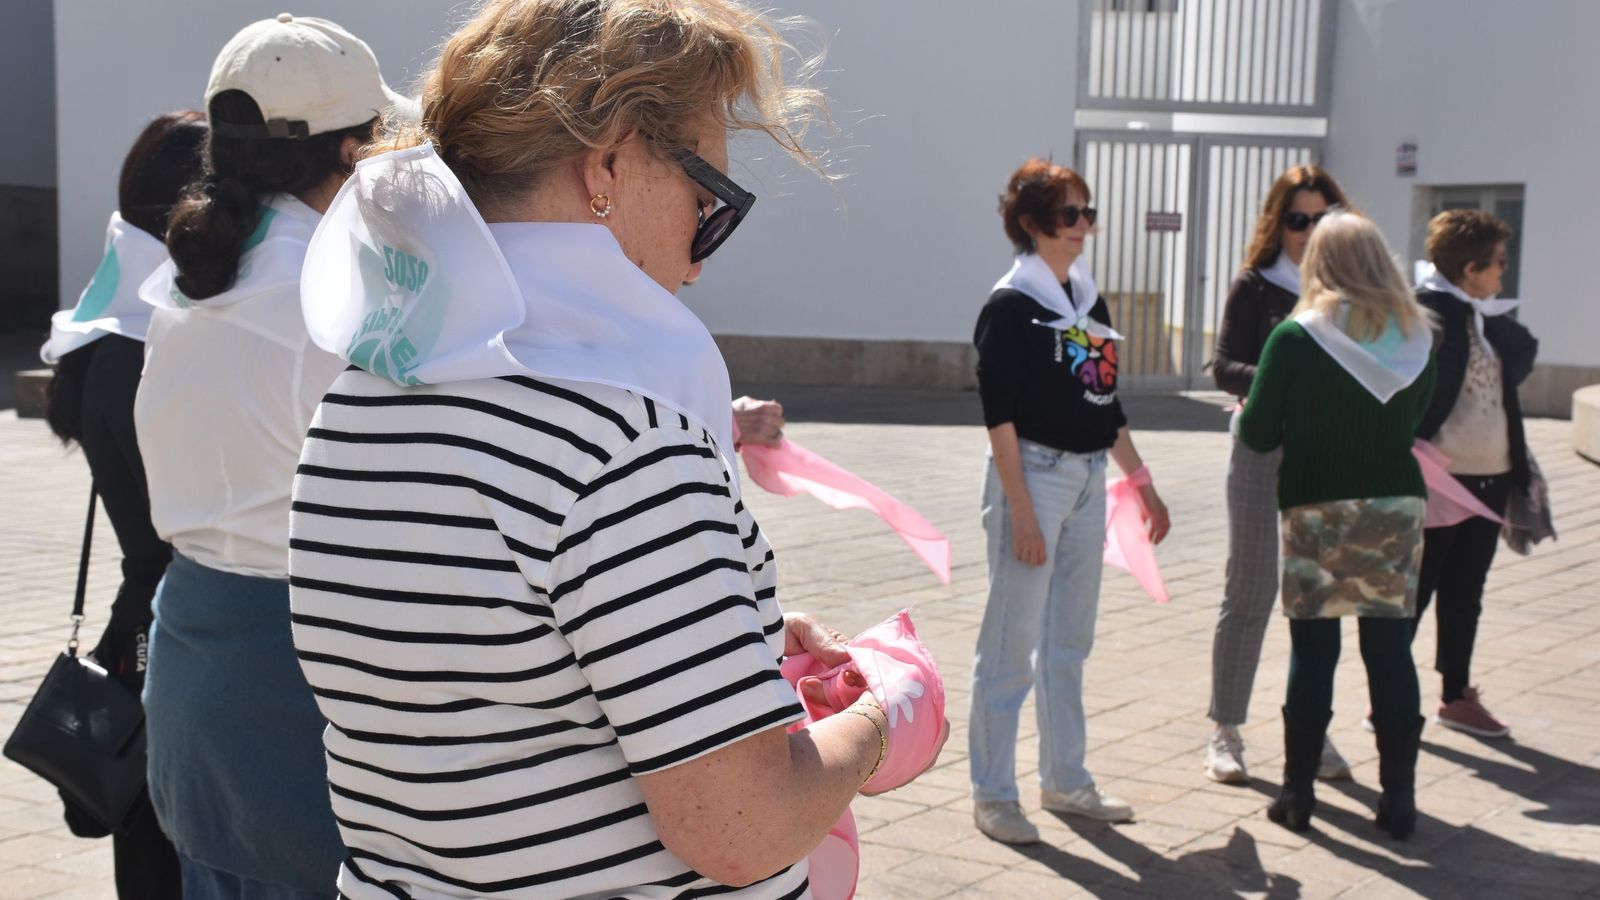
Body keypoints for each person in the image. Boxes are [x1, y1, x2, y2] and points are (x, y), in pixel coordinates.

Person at [285, 2, 946, 897]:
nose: (700, 255)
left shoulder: (360, 400)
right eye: (706, 198)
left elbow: (484, 682)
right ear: (609, 164)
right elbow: (739, 827)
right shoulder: (623, 445)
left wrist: (727, 639)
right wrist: (885, 713)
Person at [133, 15, 408, 899]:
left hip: (191, 653)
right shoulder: (332, 293)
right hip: (302, 673)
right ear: (354, 149)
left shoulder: (190, 280)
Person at [969, 158, 1172, 845]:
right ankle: (993, 795)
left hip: (1089, 480)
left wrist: (1142, 485)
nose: (1084, 227)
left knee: (1067, 644)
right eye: (1069, 215)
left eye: (1088, 214)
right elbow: (998, 417)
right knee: (1009, 647)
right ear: (1031, 225)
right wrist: (1022, 510)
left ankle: (1065, 780)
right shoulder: (1010, 306)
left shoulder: (1085, 297)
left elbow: (1103, 403)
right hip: (1035, 476)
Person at [40, 109, 204, 900]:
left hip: (142, 617)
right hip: (165, 629)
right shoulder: (143, 351)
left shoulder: (111, 332)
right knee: (161, 853)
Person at [1236, 210, 1435, 840]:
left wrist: (1250, 413)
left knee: (1314, 650)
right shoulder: (1418, 335)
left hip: (1316, 506)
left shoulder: (1297, 337)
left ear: (1317, 263)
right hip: (1394, 506)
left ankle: (1297, 795)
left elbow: (1261, 431)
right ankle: (1398, 800)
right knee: (1389, 651)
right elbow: (1419, 423)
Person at [1206, 165, 1355, 785]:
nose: (1308, 231)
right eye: (1297, 219)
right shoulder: (1256, 286)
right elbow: (1222, 368)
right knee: (1250, 592)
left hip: (1326, 458)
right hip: (1261, 452)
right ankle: (1226, 730)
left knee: (1319, 599)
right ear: (1279, 222)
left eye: (1321, 218)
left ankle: (1311, 732)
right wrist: (1283, 386)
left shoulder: (1353, 294)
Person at [1412, 209, 1537, 739]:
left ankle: (1455, 695)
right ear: (1469, 270)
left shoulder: (1486, 319)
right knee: (1414, 593)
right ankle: (1389, 694)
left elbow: (1525, 349)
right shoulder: (1427, 315)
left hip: (1492, 477)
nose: (1503, 274)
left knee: (1466, 593)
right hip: (1441, 480)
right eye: (1497, 264)